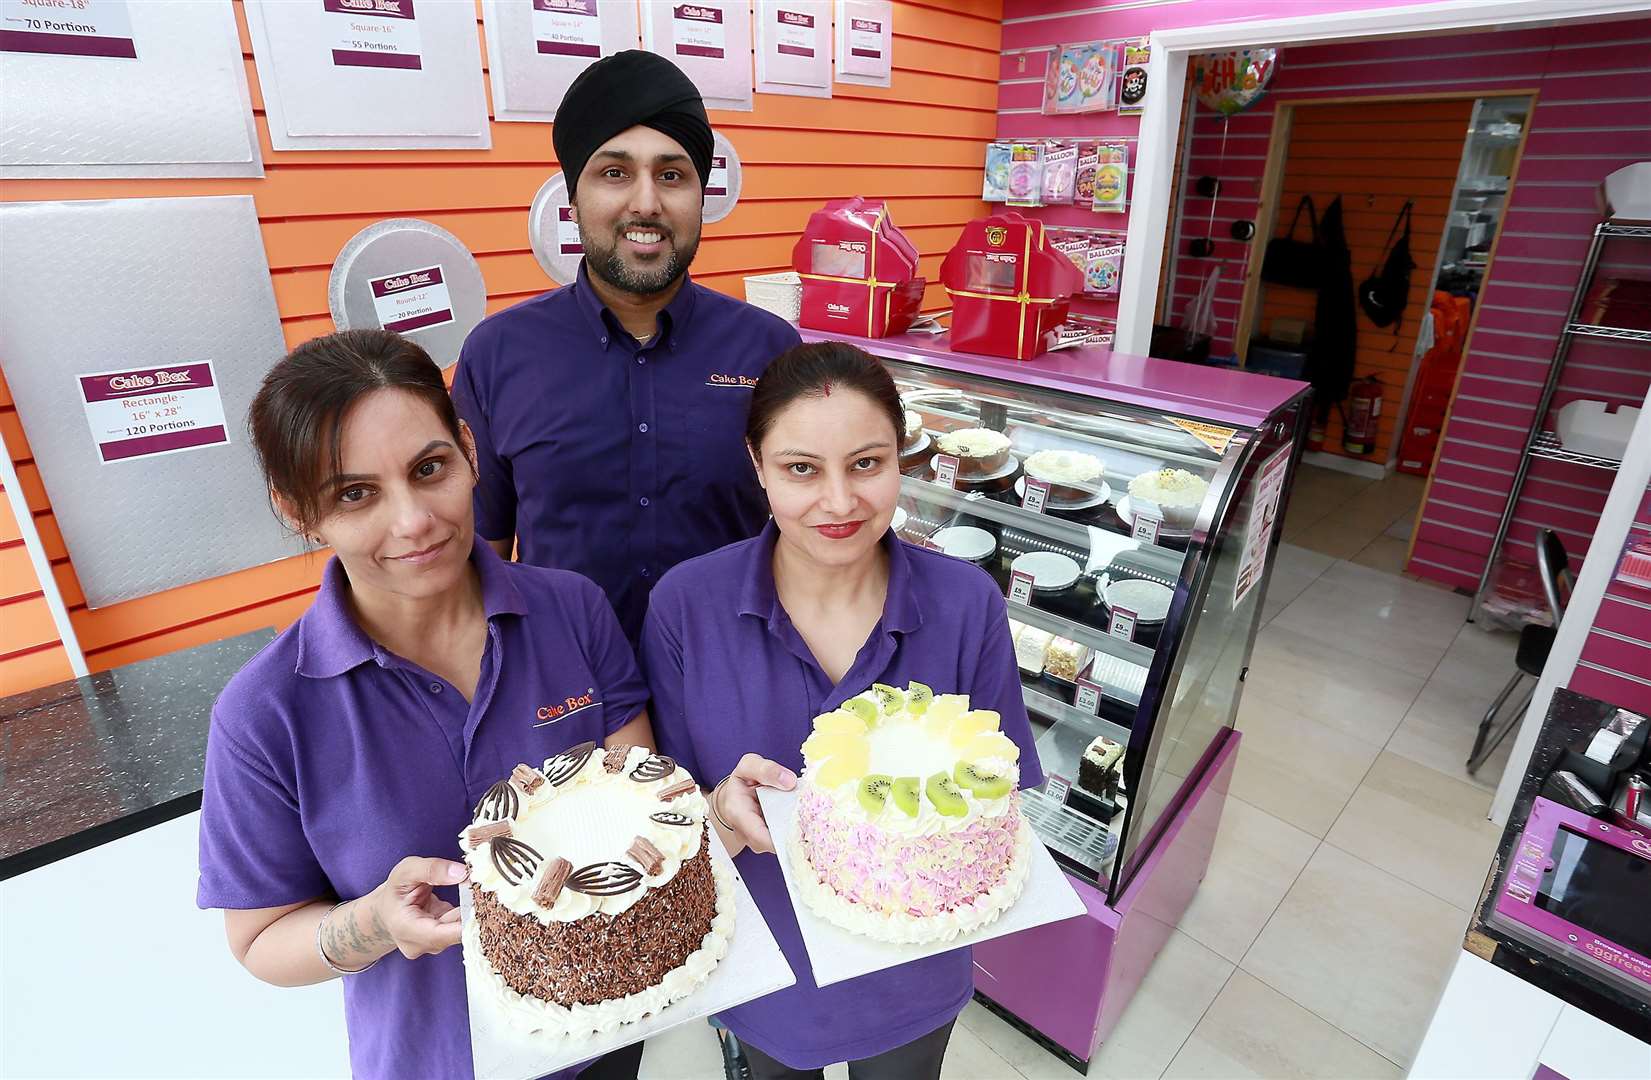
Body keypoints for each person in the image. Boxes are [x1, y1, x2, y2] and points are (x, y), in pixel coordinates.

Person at [196, 330, 652, 1079]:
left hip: (607, 1026)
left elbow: (634, 789)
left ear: (469, 451)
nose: (413, 522)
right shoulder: (264, 714)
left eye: (428, 468)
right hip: (439, 1058)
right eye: (354, 493)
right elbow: (260, 943)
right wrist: (374, 923)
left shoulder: (573, 610)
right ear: (297, 510)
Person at [641, 341, 1044, 1080]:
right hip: (759, 962)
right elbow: (663, 818)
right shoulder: (684, 607)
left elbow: (1000, 785)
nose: (838, 502)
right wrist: (719, 810)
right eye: (801, 468)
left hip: (914, 971)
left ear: (900, 459)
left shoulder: (965, 604)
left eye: (866, 463)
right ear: (756, 465)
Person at [452, 50, 802, 645]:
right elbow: (481, 552)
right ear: (573, 197)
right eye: (614, 172)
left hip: (733, 673)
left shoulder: (769, 349)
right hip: (564, 686)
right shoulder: (497, 355)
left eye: (672, 174)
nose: (646, 203)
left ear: (699, 194)